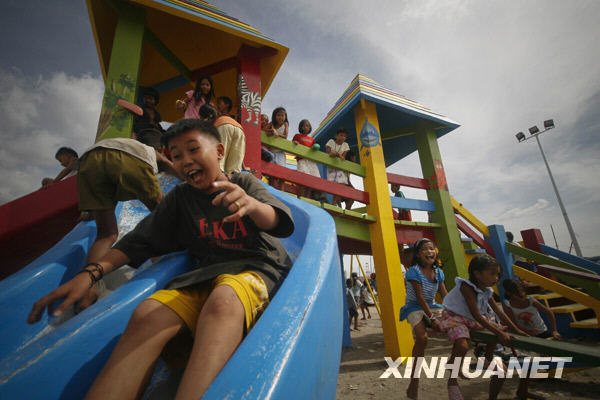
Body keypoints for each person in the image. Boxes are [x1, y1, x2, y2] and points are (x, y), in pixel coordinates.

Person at [28, 119, 295, 399]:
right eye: (176, 156)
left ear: (219, 151)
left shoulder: (242, 183)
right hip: (205, 276)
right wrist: (90, 273)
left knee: (223, 301)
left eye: (193, 149)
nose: (185, 161)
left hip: (256, 268)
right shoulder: (180, 199)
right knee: (147, 313)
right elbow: (138, 241)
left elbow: (277, 220)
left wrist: (253, 206)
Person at [439, 254, 528, 400]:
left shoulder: (487, 290)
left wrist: (516, 329)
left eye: (497, 274)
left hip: (470, 318)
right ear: (477, 274)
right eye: (492, 274)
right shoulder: (466, 287)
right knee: (462, 345)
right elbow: (477, 315)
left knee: (497, 328)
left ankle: (487, 357)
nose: (496, 278)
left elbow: (498, 311)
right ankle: (452, 381)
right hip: (456, 317)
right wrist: (499, 333)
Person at [398, 238, 448, 399]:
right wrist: (432, 318)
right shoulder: (413, 272)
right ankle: (414, 381)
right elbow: (419, 298)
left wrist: (453, 310)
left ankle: (456, 370)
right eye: (425, 249)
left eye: (431, 248)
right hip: (415, 307)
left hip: (432, 306)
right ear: (418, 255)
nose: (429, 252)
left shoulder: (439, 272)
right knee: (422, 338)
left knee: (457, 327)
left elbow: (444, 294)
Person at [502, 278, 559, 400]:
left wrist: (554, 330)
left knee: (544, 357)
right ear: (510, 294)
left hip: (542, 333)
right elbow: (513, 324)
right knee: (529, 362)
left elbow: (549, 313)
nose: (521, 296)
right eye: (518, 294)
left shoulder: (531, 300)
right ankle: (524, 389)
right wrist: (528, 332)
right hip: (526, 335)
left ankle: (532, 381)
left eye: (523, 292)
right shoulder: (508, 305)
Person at [292, 119, 321, 198]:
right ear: (300, 127)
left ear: (310, 127)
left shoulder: (312, 139)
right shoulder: (297, 136)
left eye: (307, 126)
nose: (305, 127)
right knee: (303, 177)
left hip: (310, 161)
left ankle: (307, 197)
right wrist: (295, 143)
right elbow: (293, 143)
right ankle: (300, 196)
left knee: (311, 179)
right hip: (302, 159)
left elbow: (314, 149)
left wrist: (315, 148)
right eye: (303, 126)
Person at [264, 107, 289, 190]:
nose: (280, 117)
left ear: (285, 117)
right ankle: (271, 189)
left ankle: (281, 190)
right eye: (278, 115)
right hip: (271, 151)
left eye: (282, 115)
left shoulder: (285, 124)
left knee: (281, 171)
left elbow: (285, 136)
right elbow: (264, 130)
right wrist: (272, 131)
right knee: (272, 172)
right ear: (274, 116)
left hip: (280, 152)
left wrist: (278, 134)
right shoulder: (272, 124)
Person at [325, 128, 350, 207]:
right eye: (341, 135)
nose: (343, 137)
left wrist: (337, 154)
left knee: (341, 184)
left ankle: (334, 203)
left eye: (344, 136)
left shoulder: (345, 145)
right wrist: (338, 155)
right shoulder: (331, 142)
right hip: (331, 166)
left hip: (339, 166)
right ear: (336, 135)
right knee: (333, 185)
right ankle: (337, 203)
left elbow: (343, 157)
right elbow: (328, 153)